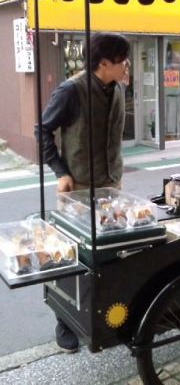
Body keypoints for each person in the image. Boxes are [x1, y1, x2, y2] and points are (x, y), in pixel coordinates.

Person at [35, 32, 130, 352]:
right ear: (104, 64)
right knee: (72, 258)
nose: (126, 66)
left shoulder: (117, 86)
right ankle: (64, 322)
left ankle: (104, 318)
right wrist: (60, 173)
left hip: (111, 185)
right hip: (79, 187)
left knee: (109, 255)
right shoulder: (70, 90)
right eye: (121, 61)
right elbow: (43, 130)